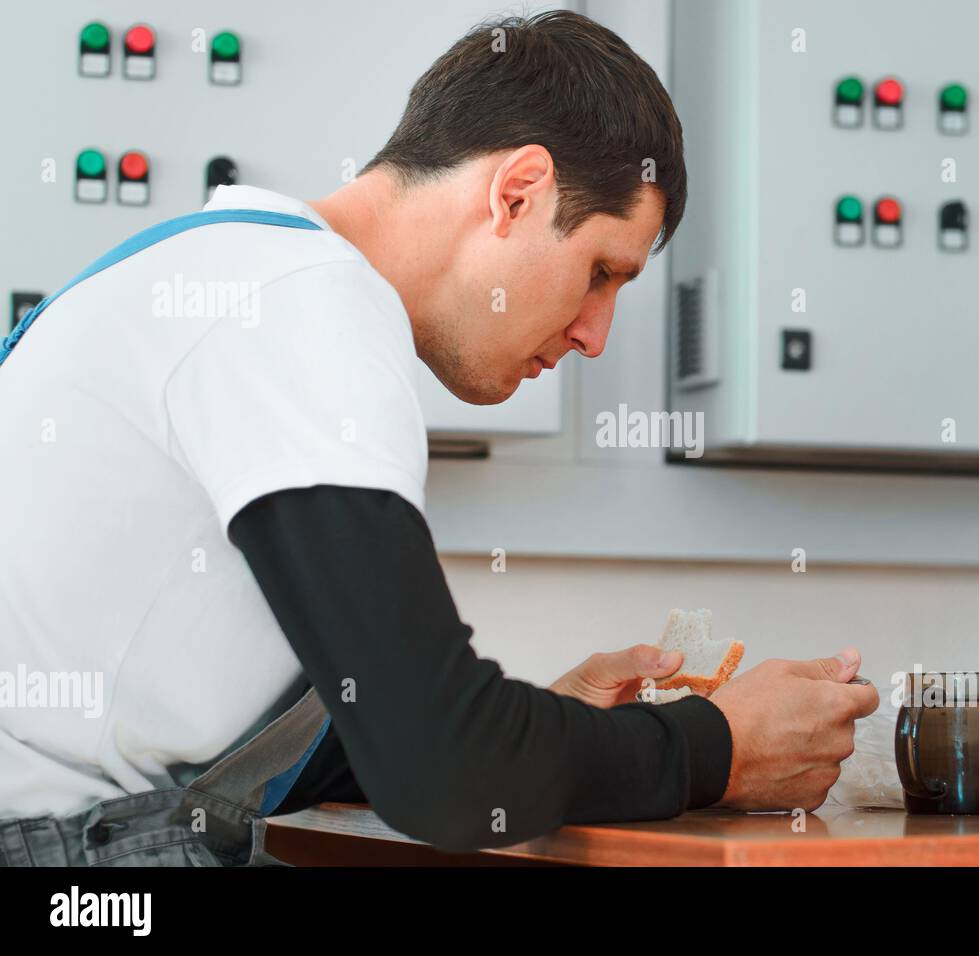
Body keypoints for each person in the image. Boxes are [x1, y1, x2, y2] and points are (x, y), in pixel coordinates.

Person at [0, 10, 878, 866]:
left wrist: (548, 731)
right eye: (602, 272)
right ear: (518, 192)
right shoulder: (305, 303)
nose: (595, 335)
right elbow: (446, 774)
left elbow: (393, 741)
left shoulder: (229, 269)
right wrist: (714, 747)